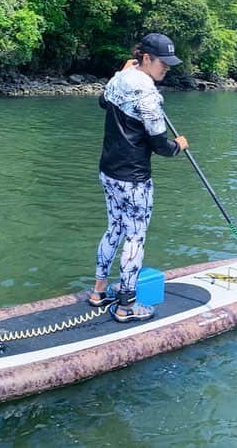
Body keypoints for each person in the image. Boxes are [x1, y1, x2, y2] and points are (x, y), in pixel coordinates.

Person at [89, 33, 189, 322]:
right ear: (146, 58)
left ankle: (98, 292)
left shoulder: (120, 77)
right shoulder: (148, 94)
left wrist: (121, 73)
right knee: (134, 237)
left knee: (113, 230)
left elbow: (102, 102)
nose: (167, 69)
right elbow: (161, 146)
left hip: (108, 172)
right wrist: (178, 146)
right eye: (163, 63)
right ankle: (126, 307)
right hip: (134, 180)